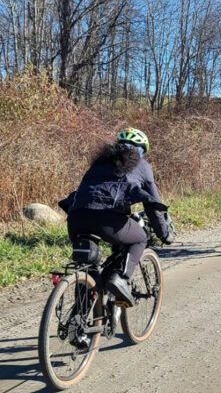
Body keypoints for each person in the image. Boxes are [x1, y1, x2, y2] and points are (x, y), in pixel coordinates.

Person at [58, 128, 172, 305]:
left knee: (89, 268)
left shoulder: (99, 162)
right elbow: (153, 204)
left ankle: (80, 321)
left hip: (76, 217)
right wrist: (164, 234)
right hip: (106, 219)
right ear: (141, 149)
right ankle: (120, 277)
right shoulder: (141, 165)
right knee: (140, 238)